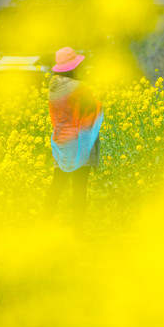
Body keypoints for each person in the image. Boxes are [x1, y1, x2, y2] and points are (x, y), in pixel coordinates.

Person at [44, 47, 103, 217]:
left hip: (61, 142)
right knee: (79, 188)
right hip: (79, 143)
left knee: (57, 184)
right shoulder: (80, 87)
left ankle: (44, 223)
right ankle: (77, 230)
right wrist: (100, 100)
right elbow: (92, 108)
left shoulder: (53, 88)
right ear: (74, 67)